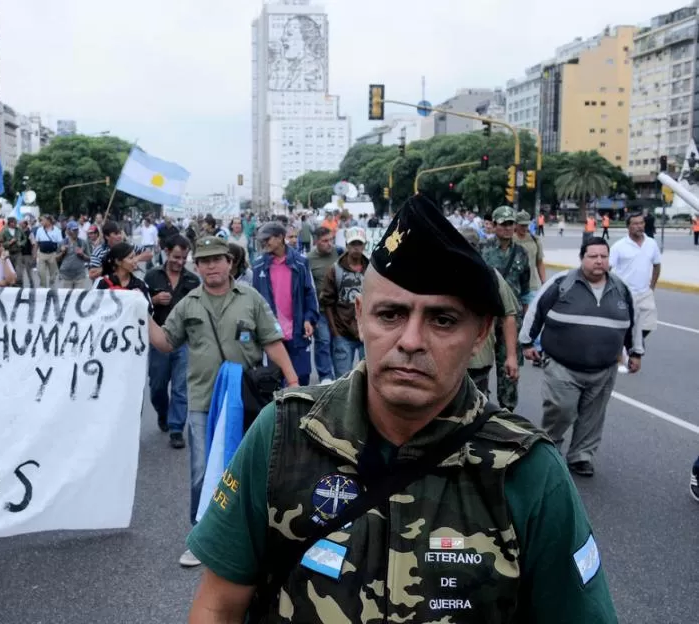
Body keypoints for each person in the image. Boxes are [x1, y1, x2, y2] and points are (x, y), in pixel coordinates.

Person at [185, 196, 619, 623]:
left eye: (443, 320)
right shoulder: (284, 434)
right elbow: (219, 605)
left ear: (480, 331)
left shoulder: (527, 470)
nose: (410, 340)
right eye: (390, 315)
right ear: (360, 317)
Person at [146, 236, 298, 569]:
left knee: (247, 466)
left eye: (218, 259)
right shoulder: (189, 304)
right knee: (202, 468)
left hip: (245, 400)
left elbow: (271, 341)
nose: (212, 266)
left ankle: (247, 533)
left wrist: (293, 381)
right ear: (196, 266)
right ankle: (202, 536)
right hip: (202, 401)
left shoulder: (251, 299)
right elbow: (166, 343)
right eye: (204, 261)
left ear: (230, 263)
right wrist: (138, 314)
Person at [520, 236, 643, 478]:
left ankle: (581, 457)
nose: (599, 261)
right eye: (593, 256)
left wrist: (636, 352)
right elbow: (536, 312)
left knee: (593, 417)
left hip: (604, 369)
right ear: (582, 258)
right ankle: (550, 450)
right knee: (562, 410)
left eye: (603, 256)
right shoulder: (561, 283)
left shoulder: (621, 289)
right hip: (562, 367)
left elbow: (633, 324)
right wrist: (526, 342)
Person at [144, 235, 200, 447]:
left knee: (180, 387)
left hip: (183, 341)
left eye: (184, 258)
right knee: (157, 386)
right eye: (176, 257)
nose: (179, 262)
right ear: (166, 252)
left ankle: (177, 428)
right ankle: (162, 412)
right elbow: (138, 304)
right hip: (158, 340)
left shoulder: (193, 280)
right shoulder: (151, 276)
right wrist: (154, 300)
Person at [252, 222, 319, 386]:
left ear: (281, 237)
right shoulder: (258, 265)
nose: (264, 243)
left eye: (268, 239)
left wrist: (309, 319)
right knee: (275, 382)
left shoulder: (301, 262)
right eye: (262, 240)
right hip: (272, 335)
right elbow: (255, 301)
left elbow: (309, 293)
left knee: (301, 380)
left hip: (298, 332)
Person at [461, 228, 521, 397]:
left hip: (478, 362)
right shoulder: (439, 276)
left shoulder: (491, 276)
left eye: (471, 246)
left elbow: (508, 316)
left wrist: (511, 356)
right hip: (448, 361)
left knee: (476, 412)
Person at [480, 206, 529, 411]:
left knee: (509, 366)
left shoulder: (521, 253)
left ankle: (507, 411)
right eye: (503, 224)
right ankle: (480, 407)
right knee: (480, 366)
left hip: (511, 318)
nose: (508, 228)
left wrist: (526, 315)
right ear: (495, 225)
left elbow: (524, 285)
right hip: (487, 316)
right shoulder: (483, 249)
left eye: (511, 224)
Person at [609, 212, 661, 373]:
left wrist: (652, 286)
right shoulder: (619, 246)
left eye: (641, 223)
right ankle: (623, 356)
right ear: (628, 227)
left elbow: (657, 265)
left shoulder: (651, 243)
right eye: (635, 223)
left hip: (644, 293)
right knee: (624, 327)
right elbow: (608, 268)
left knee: (648, 326)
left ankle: (628, 347)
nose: (640, 226)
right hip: (625, 294)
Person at [319, 227, 369, 378]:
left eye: (359, 244)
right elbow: (327, 301)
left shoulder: (372, 269)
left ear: (364, 246)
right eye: (353, 244)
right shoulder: (335, 270)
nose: (356, 248)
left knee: (369, 377)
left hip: (366, 333)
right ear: (347, 245)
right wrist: (334, 331)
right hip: (342, 333)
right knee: (343, 380)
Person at [305, 226, 339, 384]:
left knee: (337, 343)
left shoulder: (339, 252)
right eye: (325, 241)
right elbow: (306, 287)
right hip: (320, 311)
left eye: (331, 240)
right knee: (323, 342)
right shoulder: (308, 259)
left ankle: (339, 376)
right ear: (316, 242)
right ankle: (325, 377)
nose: (329, 244)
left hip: (339, 310)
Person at [94, 242, 152, 309]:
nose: (135, 260)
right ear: (118, 261)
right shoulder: (102, 283)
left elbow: (147, 311)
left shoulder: (140, 284)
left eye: (135, 256)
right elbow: (95, 310)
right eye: (131, 258)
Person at [57, 220, 90, 289]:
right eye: (74, 230)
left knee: (78, 297)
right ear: (68, 231)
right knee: (66, 298)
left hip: (79, 275)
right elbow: (56, 258)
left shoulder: (83, 242)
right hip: (65, 275)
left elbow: (89, 258)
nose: (76, 232)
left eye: (77, 230)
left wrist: (82, 254)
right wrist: (62, 252)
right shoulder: (62, 243)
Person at [33, 214, 62, 288]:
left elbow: (60, 243)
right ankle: (43, 287)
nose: (41, 222)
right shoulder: (39, 230)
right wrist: (35, 253)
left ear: (48, 221)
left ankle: (51, 286)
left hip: (52, 254)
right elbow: (36, 242)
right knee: (41, 272)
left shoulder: (57, 230)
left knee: (53, 274)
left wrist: (58, 254)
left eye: (42, 220)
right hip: (42, 254)